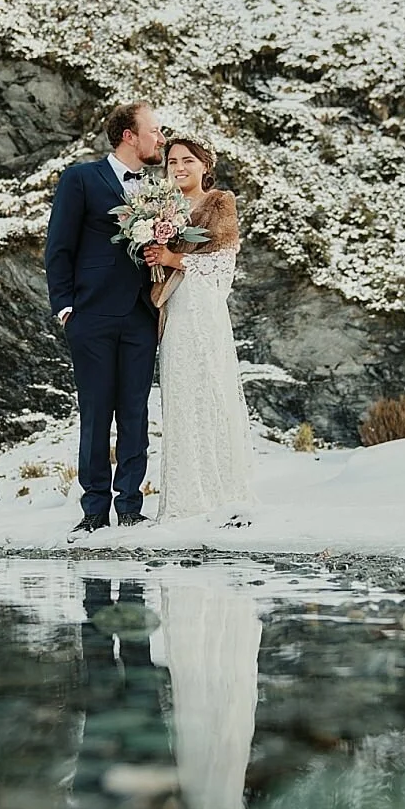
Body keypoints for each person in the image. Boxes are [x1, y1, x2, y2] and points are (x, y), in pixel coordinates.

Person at [44, 102, 165, 535]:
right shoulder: (81, 178)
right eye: (154, 130)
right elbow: (58, 246)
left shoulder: (155, 188)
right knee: (96, 414)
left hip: (140, 315)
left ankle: (130, 507)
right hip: (90, 315)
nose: (160, 138)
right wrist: (65, 308)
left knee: (135, 413)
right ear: (129, 136)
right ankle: (94, 510)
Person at [142, 136, 256, 522]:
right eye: (172, 161)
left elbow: (222, 267)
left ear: (205, 165)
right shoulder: (164, 209)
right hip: (175, 310)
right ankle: (185, 498)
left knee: (210, 390)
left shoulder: (219, 204)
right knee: (181, 396)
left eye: (188, 160)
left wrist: (173, 257)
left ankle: (220, 495)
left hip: (203, 312)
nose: (179, 167)